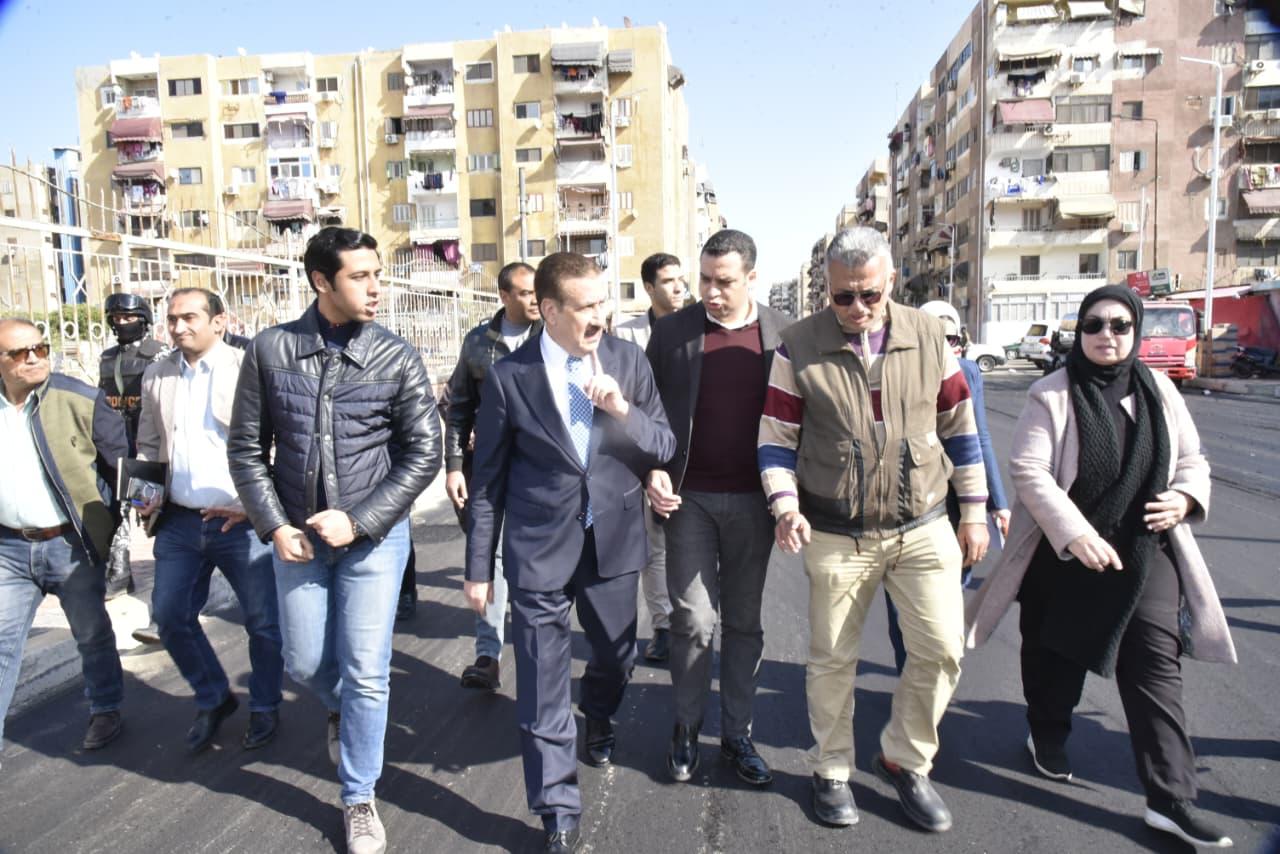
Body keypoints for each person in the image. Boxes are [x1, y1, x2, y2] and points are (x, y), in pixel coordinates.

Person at [965, 285, 1235, 848]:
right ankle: (1047, 731)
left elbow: (1192, 459)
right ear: (1078, 332)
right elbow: (1031, 470)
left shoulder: (1160, 389)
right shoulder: (1051, 393)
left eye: (1119, 325)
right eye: (1093, 325)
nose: (1106, 336)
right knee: (1054, 655)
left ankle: (1171, 798)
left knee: (1156, 665)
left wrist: (1185, 497)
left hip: (1145, 550)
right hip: (1066, 553)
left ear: (1135, 330)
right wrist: (1077, 534)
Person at [757, 227, 988, 832]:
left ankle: (906, 759)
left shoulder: (929, 336)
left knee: (941, 649)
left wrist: (974, 510)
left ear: (890, 281)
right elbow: (776, 439)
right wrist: (785, 506)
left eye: (869, 294)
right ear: (827, 290)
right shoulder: (798, 346)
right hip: (838, 533)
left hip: (923, 524)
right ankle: (831, 769)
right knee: (833, 660)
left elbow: (960, 428)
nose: (857, 308)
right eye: (842, 297)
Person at [228, 227, 441, 854]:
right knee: (304, 663)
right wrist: (275, 525)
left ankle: (359, 797)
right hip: (298, 539)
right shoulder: (270, 350)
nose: (376, 287)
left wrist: (362, 519)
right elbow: (247, 449)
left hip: (374, 541)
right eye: (360, 276)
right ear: (322, 281)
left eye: (378, 274)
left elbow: (423, 453)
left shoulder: (396, 356)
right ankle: (342, 710)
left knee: (368, 672)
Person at [463, 252, 674, 853]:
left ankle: (599, 713)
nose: (600, 317)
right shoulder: (510, 377)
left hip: (613, 542)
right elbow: (488, 482)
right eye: (586, 307)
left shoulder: (628, 361)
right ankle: (556, 808)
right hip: (537, 550)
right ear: (550, 311)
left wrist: (621, 409)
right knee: (540, 686)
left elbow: (662, 443)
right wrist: (478, 568)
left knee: (616, 658)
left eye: (603, 302)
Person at [645, 231, 789, 787]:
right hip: (690, 500)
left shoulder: (783, 335)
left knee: (745, 624)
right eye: (703, 279)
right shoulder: (673, 333)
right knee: (693, 620)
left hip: (756, 501)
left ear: (751, 277)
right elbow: (646, 412)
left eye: (723, 281)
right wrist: (650, 470)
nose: (709, 291)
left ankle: (737, 735)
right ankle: (685, 726)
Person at [135, 288, 283, 753]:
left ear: (220, 322)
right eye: (172, 319)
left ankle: (265, 705)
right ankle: (213, 696)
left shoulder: (249, 370)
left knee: (263, 623)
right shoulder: (158, 374)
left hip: (241, 522)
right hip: (179, 521)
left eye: (189, 317)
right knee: (170, 616)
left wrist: (254, 505)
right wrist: (144, 494)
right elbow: (148, 443)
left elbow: (281, 443)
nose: (178, 327)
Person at [0, 317, 128, 756]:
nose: (34, 358)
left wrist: (111, 527)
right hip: (8, 549)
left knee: (90, 633)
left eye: (40, 348)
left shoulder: (81, 398)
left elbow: (123, 467)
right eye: (20, 353)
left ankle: (106, 707)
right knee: (2, 643)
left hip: (71, 545)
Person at [882, 300, 1010, 674]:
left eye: (950, 339)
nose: (943, 347)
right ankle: (911, 675)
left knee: (948, 594)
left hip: (955, 502)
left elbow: (979, 438)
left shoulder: (967, 372)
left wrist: (996, 504)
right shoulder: (891, 366)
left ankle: (935, 671)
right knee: (900, 603)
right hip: (903, 504)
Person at [444, 261, 542, 689]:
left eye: (538, 291)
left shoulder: (553, 336)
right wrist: (453, 467)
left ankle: (541, 652)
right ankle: (488, 655)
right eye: (525, 292)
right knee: (491, 556)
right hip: (489, 468)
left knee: (537, 560)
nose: (535, 299)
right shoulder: (477, 343)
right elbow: (459, 409)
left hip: (540, 470)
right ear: (504, 296)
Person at [613, 252, 687, 663]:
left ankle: (697, 621)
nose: (678, 287)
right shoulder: (627, 335)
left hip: (690, 454)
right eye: (668, 281)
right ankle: (663, 626)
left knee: (695, 542)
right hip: (643, 454)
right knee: (653, 543)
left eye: (681, 279)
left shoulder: (698, 328)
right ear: (648, 288)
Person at [98, 292, 166, 603]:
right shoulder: (107, 358)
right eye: (117, 318)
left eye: (129, 317)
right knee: (119, 505)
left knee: (152, 507)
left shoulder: (158, 353)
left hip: (148, 442)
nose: (122, 323)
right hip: (116, 440)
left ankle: (168, 569)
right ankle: (119, 571)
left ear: (143, 320)